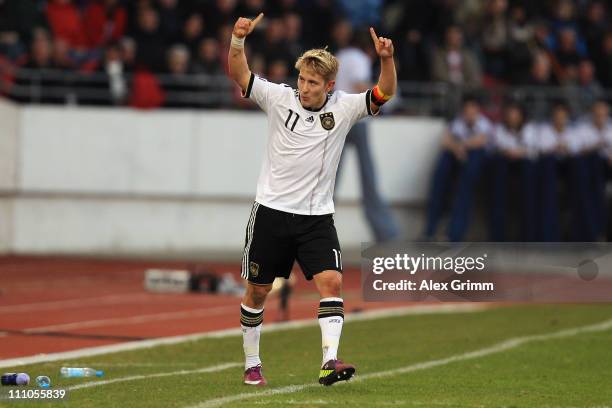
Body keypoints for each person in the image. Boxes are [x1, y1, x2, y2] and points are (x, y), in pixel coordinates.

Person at [227, 13, 396, 386]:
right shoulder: (278, 98)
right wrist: (238, 40)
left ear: (329, 85)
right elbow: (240, 74)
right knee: (256, 292)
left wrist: (386, 59)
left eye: (313, 82)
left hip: (316, 216)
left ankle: (329, 362)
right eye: (302, 79)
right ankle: (252, 363)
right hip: (270, 212)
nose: (304, 87)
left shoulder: (345, 108)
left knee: (332, 283)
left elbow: (384, 92)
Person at [423, 96, 491, 242]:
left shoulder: (484, 124)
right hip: (456, 163)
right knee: (441, 171)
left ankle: (454, 234)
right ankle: (430, 230)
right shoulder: (457, 123)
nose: (469, 112)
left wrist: (462, 145)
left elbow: (482, 140)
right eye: (467, 109)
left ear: (478, 110)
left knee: (464, 190)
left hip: (475, 169)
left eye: (472, 109)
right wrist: (457, 148)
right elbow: (445, 141)